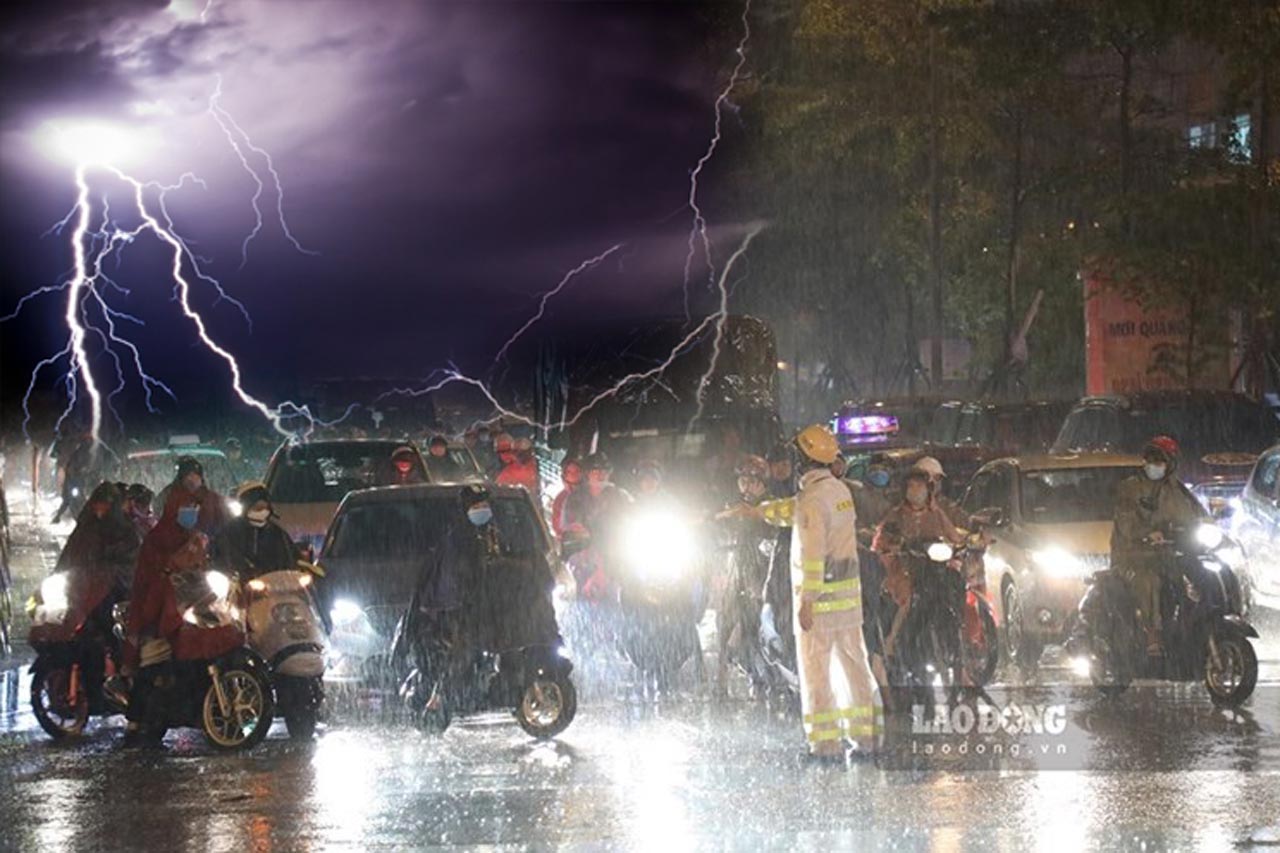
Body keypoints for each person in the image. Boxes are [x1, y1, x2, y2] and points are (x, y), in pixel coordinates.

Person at [789, 425, 879, 761]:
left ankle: (825, 744)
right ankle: (866, 736)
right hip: (848, 603)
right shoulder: (840, 492)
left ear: (805, 459)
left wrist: (807, 601)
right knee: (855, 667)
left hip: (822, 606)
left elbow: (813, 555)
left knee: (817, 671)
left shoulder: (811, 501)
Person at [1110, 435, 1207, 656]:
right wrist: (1146, 534)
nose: (1154, 464)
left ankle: (1201, 624)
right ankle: (1152, 634)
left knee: (1205, 576)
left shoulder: (1179, 491)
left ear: (1171, 463)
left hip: (1171, 555)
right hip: (1135, 557)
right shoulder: (1130, 488)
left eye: (1160, 460)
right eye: (1151, 459)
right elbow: (1126, 522)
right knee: (1150, 580)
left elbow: (1198, 515)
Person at [872, 467, 963, 661]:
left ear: (928, 489)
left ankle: (959, 647)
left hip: (934, 571)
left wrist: (963, 547)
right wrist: (891, 549)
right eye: (911, 486)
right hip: (904, 570)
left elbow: (954, 537)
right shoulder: (896, 515)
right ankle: (890, 641)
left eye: (919, 486)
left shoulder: (937, 514)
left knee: (955, 588)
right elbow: (880, 542)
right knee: (906, 598)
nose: (915, 490)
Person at [715, 455, 774, 697]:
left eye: (752, 480)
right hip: (734, 571)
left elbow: (771, 542)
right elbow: (719, 533)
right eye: (743, 480)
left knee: (758, 626)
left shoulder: (770, 509)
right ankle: (721, 679)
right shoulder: (733, 507)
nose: (747, 486)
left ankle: (766, 679)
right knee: (726, 623)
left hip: (760, 574)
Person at [211, 483, 300, 580]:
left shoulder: (278, 533)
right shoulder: (229, 532)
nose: (262, 511)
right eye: (257, 508)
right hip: (241, 587)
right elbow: (221, 558)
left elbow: (291, 559)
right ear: (247, 507)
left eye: (265, 507)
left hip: (275, 588)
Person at [155, 457, 230, 536]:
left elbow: (225, 522)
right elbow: (159, 515)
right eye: (188, 475)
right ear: (181, 478)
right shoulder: (169, 495)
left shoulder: (212, 498)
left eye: (195, 475)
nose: (191, 479)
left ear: (201, 478)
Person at [915, 456, 970, 530]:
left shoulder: (948, 507)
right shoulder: (901, 509)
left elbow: (966, 523)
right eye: (926, 477)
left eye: (937, 477)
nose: (932, 482)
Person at [550, 458, 583, 546]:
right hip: (569, 543)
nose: (574, 474)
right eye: (570, 472)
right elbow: (557, 525)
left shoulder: (590, 493)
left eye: (577, 471)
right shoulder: (560, 499)